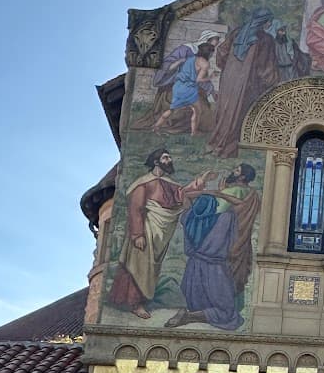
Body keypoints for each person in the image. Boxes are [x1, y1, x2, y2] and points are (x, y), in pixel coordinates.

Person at [108, 148, 211, 318]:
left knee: (150, 268)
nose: (169, 160)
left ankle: (141, 301)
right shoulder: (143, 183)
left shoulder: (169, 183)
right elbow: (136, 208)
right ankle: (135, 303)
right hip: (145, 230)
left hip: (159, 234)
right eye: (165, 157)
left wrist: (201, 181)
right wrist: (137, 235)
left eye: (169, 157)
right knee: (138, 266)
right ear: (156, 162)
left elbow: (181, 196)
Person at [164, 164, 260, 332]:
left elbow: (191, 199)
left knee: (228, 313)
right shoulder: (235, 201)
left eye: (236, 170)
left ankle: (189, 315)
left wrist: (216, 192)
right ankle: (191, 315)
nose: (233, 171)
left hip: (212, 240)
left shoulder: (235, 196)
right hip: (213, 244)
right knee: (228, 313)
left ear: (243, 177)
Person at [208, 8, 280, 156]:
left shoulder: (237, 33)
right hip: (248, 81)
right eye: (268, 21)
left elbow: (222, 52)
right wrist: (271, 80)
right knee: (239, 110)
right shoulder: (265, 39)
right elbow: (265, 66)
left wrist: (228, 68)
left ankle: (216, 141)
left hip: (229, 77)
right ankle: (227, 147)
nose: (270, 24)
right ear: (264, 22)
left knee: (225, 109)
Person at [150, 31, 220, 135]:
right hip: (189, 88)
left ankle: (156, 126)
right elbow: (199, 79)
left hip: (178, 86)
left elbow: (177, 67)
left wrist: (211, 91)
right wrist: (211, 77)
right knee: (197, 111)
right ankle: (193, 132)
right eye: (212, 49)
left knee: (173, 109)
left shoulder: (190, 58)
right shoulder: (200, 60)